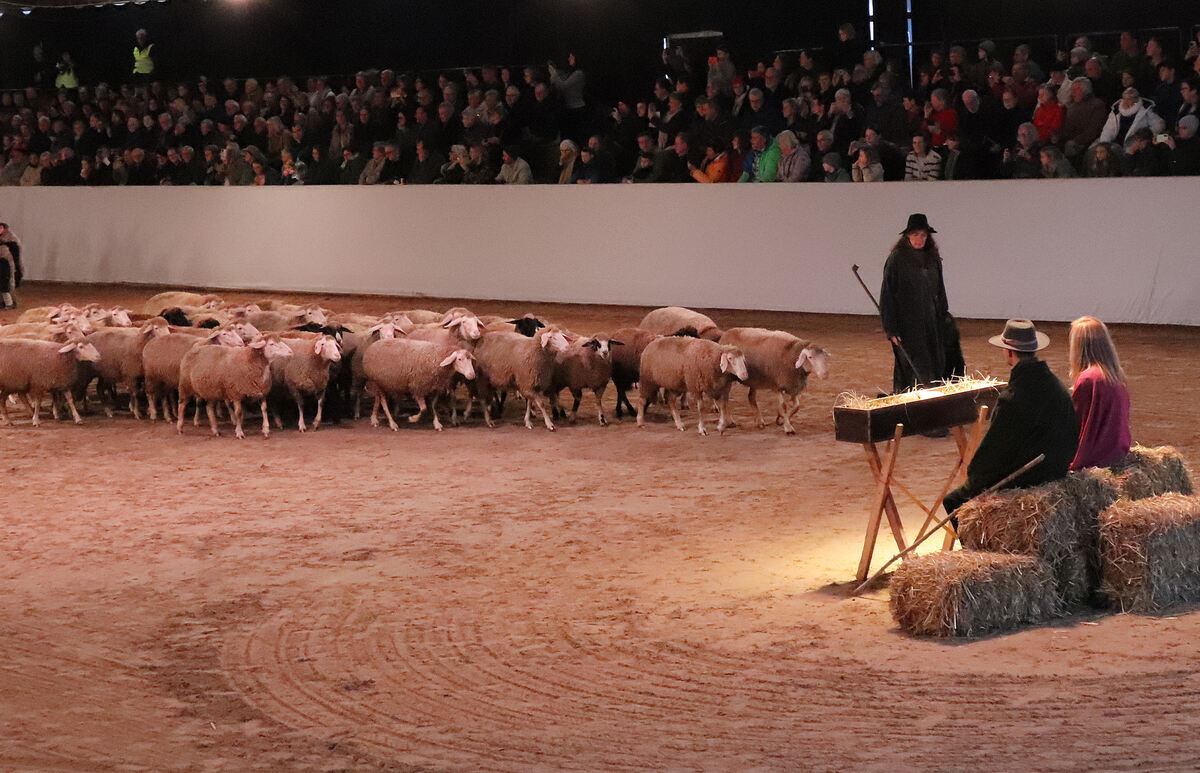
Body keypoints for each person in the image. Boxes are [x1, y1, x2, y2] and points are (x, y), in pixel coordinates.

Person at [943, 319, 1080, 516]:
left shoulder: (1014, 396)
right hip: (1057, 467)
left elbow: (994, 451)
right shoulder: (1055, 386)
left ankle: (973, 547)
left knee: (954, 501)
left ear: (1008, 351)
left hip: (1033, 474)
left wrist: (974, 477)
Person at [878, 214, 962, 394]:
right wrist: (891, 329)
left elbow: (940, 289)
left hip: (932, 323)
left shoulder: (932, 257)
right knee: (914, 368)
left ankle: (933, 407)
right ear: (907, 235)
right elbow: (887, 296)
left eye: (923, 235)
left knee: (936, 363)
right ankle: (910, 407)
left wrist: (944, 317)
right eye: (915, 234)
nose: (919, 239)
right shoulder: (897, 259)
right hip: (907, 326)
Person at [1067, 316, 1131, 471]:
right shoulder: (1114, 376)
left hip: (1096, 458)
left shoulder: (1089, 379)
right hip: (1117, 452)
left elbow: (1075, 425)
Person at [0, 222, 23, 310]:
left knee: (9, 285)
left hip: (9, 265)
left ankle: (11, 303)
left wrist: (17, 267)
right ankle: (3, 302)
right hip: (3, 264)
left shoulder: (10, 239)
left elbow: (15, 253)